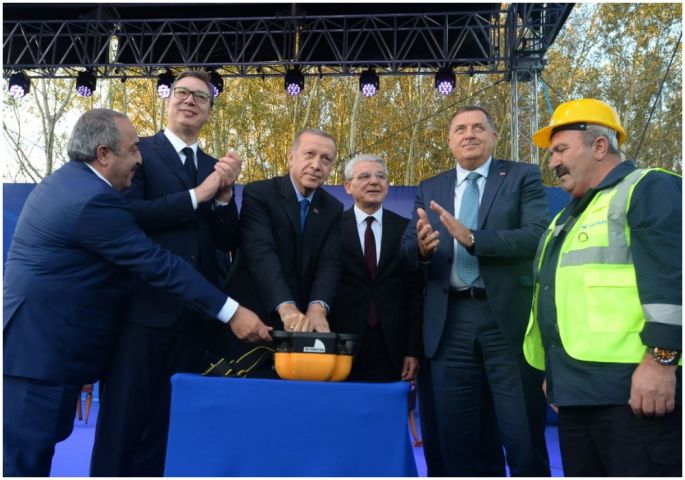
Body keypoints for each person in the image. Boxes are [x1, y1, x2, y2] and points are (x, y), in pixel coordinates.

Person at [2, 109, 271, 477]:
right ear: (103, 154)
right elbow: (157, 263)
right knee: (21, 463)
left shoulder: (74, 184)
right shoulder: (92, 201)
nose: (140, 159)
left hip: (45, 353)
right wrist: (231, 311)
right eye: (132, 150)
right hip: (40, 356)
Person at [91, 71, 243, 476]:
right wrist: (198, 195)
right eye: (182, 92)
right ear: (168, 100)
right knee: (122, 427)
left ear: (209, 112)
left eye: (201, 97)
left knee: (168, 430)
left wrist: (224, 197)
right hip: (142, 314)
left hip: (195, 321)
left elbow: (226, 239)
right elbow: (130, 216)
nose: (190, 100)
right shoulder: (137, 153)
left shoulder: (213, 166)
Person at [524, 98, 682, 476]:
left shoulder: (647, 187)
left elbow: (673, 277)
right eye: (550, 153)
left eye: (560, 150)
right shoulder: (568, 216)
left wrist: (661, 362)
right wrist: (557, 374)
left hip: (633, 392)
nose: (552, 162)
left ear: (598, 146)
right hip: (577, 393)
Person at [400, 105, 551, 476]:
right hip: (450, 321)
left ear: (494, 137)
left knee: (521, 434)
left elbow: (537, 237)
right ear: (449, 141)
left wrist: (473, 239)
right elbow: (406, 251)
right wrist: (421, 250)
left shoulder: (522, 177)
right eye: (461, 129)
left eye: (478, 128)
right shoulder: (430, 187)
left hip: (506, 321)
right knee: (456, 434)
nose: (469, 134)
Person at [216, 128, 342, 368]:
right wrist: (286, 307)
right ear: (290, 157)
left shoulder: (333, 208)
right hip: (252, 321)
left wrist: (318, 308)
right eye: (309, 154)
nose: (317, 165)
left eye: (326, 159)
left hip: (303, 331)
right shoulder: (259, 193)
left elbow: (330, 263)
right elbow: (261, 254)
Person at [329, 154, 422, 382]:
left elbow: (415, 291)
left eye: (381, 177)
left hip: (392, 345)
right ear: (348, 186)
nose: (374, 181)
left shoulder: (406, 229)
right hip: (340, 342)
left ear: (387, 186)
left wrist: (413, 349)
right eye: (365, 176)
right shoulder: (331, 228)